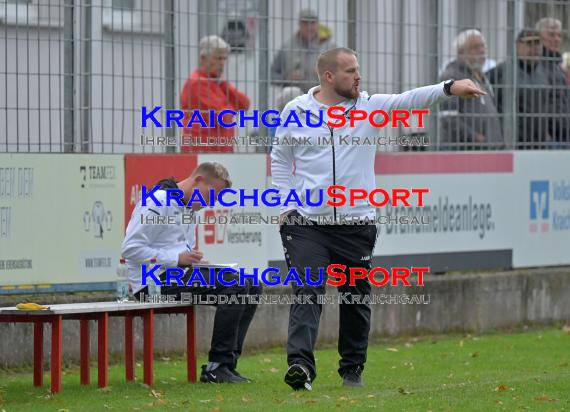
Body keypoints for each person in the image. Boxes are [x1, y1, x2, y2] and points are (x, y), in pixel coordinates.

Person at [271, 47, 486, 390]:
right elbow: (280, 159)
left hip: (357, 225)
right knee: (307, 291)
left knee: (355, 299)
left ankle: (352, 370)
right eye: (349, 71)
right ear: (328, 76)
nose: (358, 76)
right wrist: (285, 206)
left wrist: (449, 87)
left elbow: (409, 100)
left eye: (358, 69)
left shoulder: (370, 107)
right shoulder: (295, 111)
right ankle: (300, 366)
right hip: (307, 225)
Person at [121, 162, 261, 384]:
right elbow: (130, 249)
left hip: (174, 276)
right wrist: (177, 259)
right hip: (152, 284)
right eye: (211, 194)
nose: (210, 203)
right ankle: (217, 366)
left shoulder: (189, 208)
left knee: (251, 284)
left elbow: (181, 250)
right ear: (197, 181)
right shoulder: (157, 202)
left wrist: (196, 262)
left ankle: (226, 365)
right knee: (234, 284)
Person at [180, 36, 250, 153]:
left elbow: (245, 104)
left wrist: (224, 85)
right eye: (218, 58)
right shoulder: (197, 83)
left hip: (218, 151)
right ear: (203, 59)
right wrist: (231, 106)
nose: (222, 63)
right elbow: (223, 116)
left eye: (224, 59)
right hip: (202, 152)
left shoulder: (216, 83)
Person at [439, 29, 504, 150]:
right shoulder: (452, 76)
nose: (482, 50)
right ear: (461, 52)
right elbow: (448, 116)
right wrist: (475, 137)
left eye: (483, 46)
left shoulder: (480, 76)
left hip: (487, 149)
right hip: (464, 150)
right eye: (475, 47)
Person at [487, 29, 550, 149]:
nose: (535, 48)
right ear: (518, 46)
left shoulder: (544, 72)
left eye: (537, 43)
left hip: (539, 142)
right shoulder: (503, 70)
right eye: (529, 44)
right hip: (512, 141)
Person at [270, 9, 336, 93]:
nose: (309, 27)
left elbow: (341, 74)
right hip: (294, 99)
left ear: (318, 24)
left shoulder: (329, 47)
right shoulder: (287, 48)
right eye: (305, 23)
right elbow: (271, 76)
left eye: (312, 23)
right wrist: (286, 78)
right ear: (299, 24)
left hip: (322, 98)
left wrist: (325, 73)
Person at [535, 18, 570, 146]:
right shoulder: (536, 64)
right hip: (550, 138)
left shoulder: (555, 65)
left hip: (563, 134)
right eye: (551, 34)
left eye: (559, 35)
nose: (557, 39)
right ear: (539, 37)